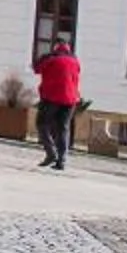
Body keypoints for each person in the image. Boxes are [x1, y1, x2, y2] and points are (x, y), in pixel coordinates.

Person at [33, 37, 83, 170]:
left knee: (42, 124)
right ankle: (62, 160)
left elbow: (37, 68)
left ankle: (51, 153)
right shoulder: (75, 60)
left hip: (52, 97)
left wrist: (44, 57)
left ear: (56, 46)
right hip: (70, 99)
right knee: (63, 128)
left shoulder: (51, 59)